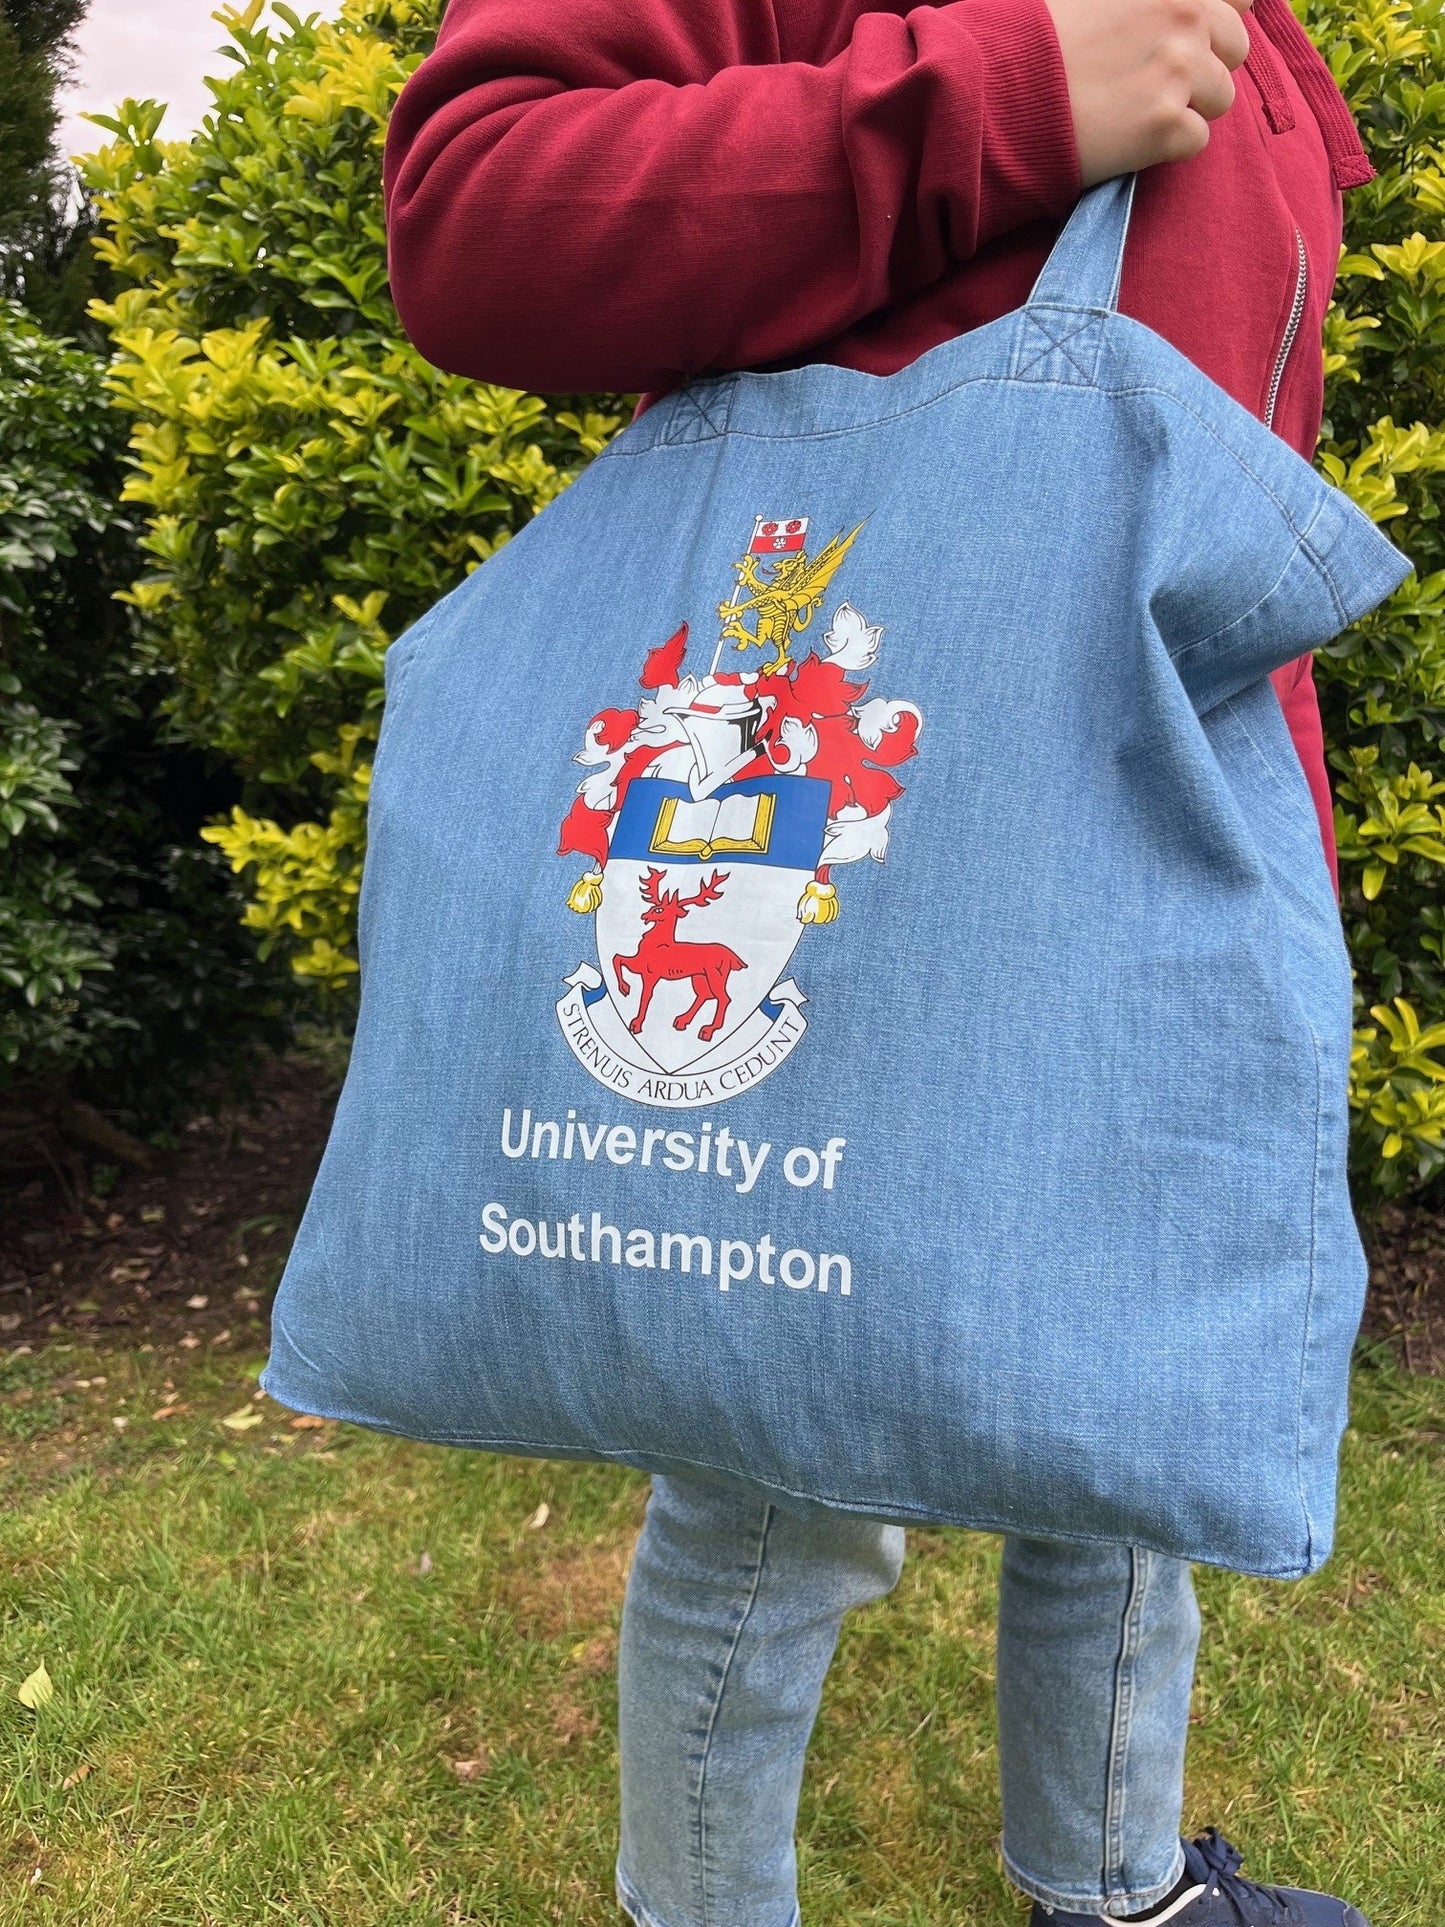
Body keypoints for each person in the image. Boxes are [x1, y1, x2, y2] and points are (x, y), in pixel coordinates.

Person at [381, 4, 1375, 1923]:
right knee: (783, 1442)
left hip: (1152, 826)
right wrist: (999, 100)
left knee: (1129, 1393)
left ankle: (1114, 1886)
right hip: (884, 823)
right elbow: (478, 213)